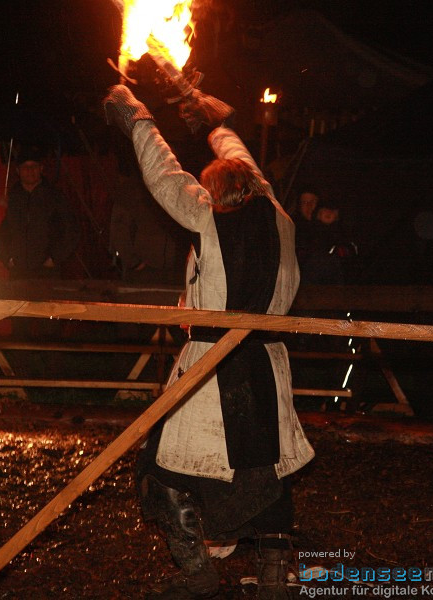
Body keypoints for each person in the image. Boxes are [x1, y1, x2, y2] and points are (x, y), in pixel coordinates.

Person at [103, 84, 313, 600]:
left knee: (162, 467)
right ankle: (270, 579)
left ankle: (199, 574)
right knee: (268, 468)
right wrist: (217, 128)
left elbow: (163, 173)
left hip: (213, 366)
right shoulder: (279, 216)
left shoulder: (207, 217)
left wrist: (139, 119)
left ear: (215, 192)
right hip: (269, 362)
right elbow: (249, 167)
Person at [0, 148, 79, 279]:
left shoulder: (55, 196)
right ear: (18, 171)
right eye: (25, 167)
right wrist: (7, 258)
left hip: (47, 272)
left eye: (34, 166)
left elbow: (71, 230)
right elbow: (0, 231)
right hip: (17, 271)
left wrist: (55, 258)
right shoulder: (10, 199)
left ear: (41, 168)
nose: (30, 171)